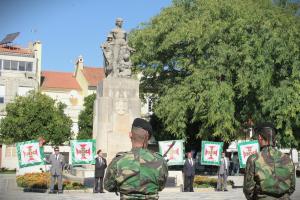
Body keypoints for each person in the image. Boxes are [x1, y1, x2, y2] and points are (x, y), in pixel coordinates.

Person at [104, 118, 168, 199]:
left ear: (130, 135)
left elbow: (108, 186)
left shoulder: (118, 161)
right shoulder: (160, 161)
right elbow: (161, 186)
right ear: (147, 137)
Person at [243, 122, 295, 200]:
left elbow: (248, 190)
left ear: (260, 137)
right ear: (274, 138)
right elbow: (292, 187)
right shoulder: (288, 159)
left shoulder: (253, 159)